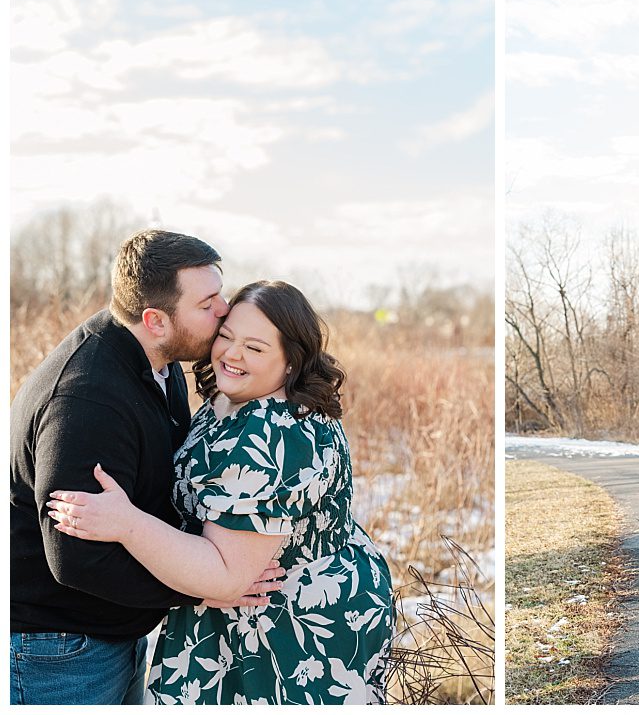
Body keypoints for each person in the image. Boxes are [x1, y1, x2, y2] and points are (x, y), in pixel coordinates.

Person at [47, 280, 395, 704]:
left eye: (255, 347)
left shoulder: (273, 433)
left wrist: (126, 523)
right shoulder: (235, 398)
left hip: (286, 627)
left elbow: (225, 576)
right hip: (245, 615)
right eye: (226, 336)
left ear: (291, 361)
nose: (232, 354)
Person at [10, 229, 282, 706]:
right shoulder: (87, 400)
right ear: (155, 319)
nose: (223, 309)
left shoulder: (156, 356)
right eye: (207, 303)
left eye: (219, 292)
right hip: (58, 650)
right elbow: (75, 558)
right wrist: (202, 587)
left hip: (112, 630)